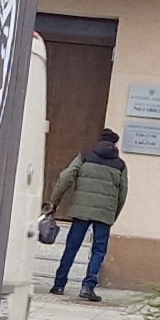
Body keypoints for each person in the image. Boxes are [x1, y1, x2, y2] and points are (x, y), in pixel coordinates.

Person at [46, 128, 128, 302]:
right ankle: (88, 287)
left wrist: (54, 202)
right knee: (98, 250)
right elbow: (123, 193)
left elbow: (65, 178)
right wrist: (113, 215)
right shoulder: (120, 165)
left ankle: (59, 284)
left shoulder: (84, 156)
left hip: (81, 211)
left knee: (72, 247)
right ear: (115, 144)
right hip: (104, 213)